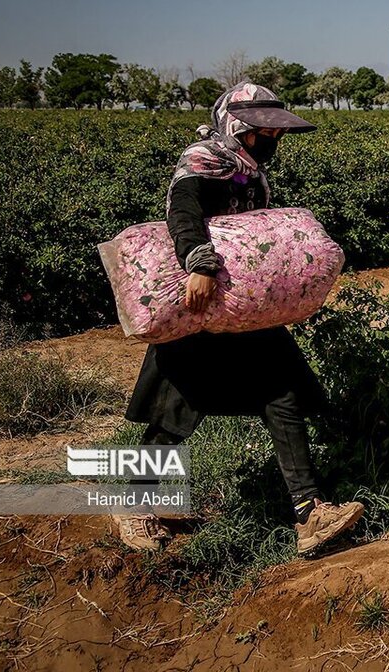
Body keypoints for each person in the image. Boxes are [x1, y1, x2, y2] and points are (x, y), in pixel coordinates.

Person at [118, 82, 363, 555]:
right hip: (201, 304)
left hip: (243, 309)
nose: (273, 141)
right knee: (177, 409)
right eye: (263, 133)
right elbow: (183, 210)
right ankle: (134, 504)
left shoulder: (251, 173)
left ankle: (310, 512)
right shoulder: (205, 160)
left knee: (282, 397)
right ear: (240, 129)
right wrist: (199, 262)